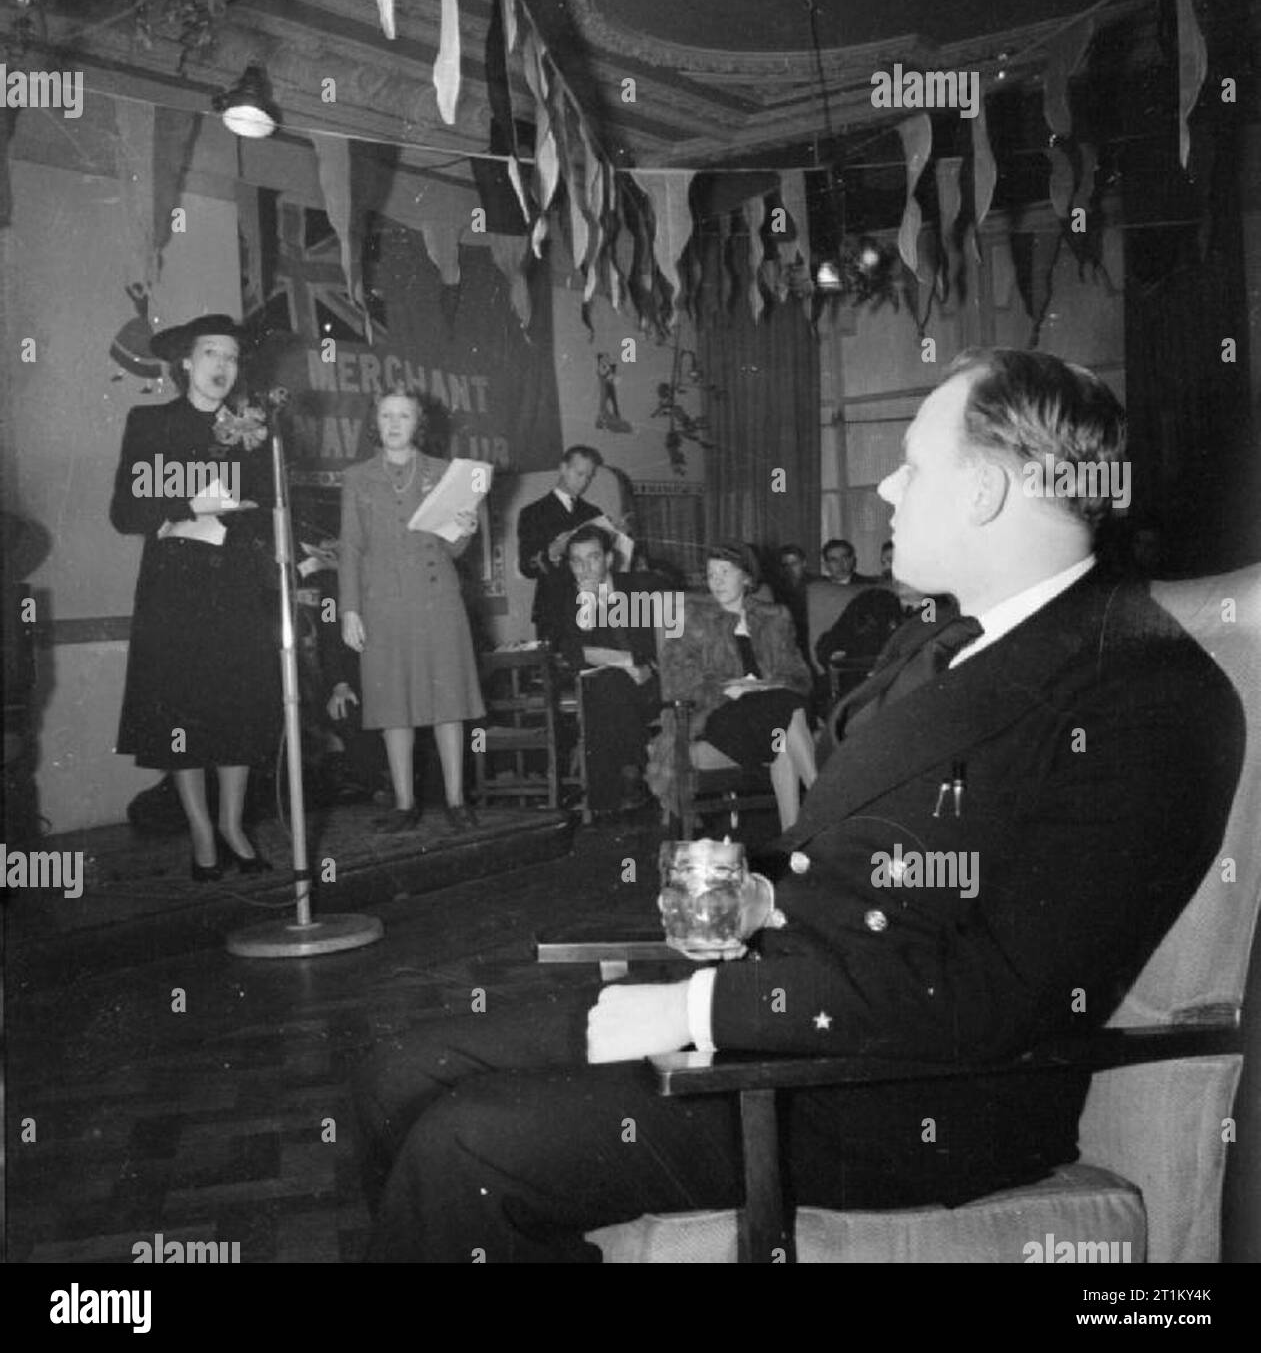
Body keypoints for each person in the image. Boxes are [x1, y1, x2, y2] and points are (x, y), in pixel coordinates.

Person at [356, 348, 1244, 1263]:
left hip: (900, 1092)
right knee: (401, 1071)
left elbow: (995, 996)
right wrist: (763, 898)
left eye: (912, 465)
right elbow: (858, 858)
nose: (890, 492)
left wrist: (696, 1009)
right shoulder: (939, 640)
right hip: (791, 1006)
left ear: (983, 491)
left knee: (467, 1147)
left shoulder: (1144, 691)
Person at [111, 314, 280, 880]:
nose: (222, 367)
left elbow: (269, 505)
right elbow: (127, 511)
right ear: (186, 361)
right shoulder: (152, 423)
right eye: (211, 354)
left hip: (236, 584)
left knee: (236, 708)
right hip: (176, 588)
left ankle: (233, 825)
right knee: (183, 709)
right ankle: (202, 832)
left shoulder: (254, 429)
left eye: (231, 358)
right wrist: (190, 505)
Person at [339, 391, 484, 833]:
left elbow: (455, 547)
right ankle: (404, 804)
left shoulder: (446, 473)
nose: (395, 423)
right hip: (382, 604)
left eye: (404, 415)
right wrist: (349, 610)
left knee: (447, 703)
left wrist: (465, 527)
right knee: (392, 705)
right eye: (386, 415)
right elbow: (350, 547)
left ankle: (457, 801)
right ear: (376, 423)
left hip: (436, 600)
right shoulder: (357, 477)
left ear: (418, 423)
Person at [647, 541, 816, 833]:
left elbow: (800, 676)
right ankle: (823, 801)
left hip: (769, 711)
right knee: (787, 712)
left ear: (747, 577)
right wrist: (727, 688)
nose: (717, 581)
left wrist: (762, 686)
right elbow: (674, 680)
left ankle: (794, 835)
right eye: (711, 574)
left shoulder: (775, 616)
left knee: (782, 715)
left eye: (725, 572)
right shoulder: (690, 617)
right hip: (717, 714)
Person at [554, 525, 661, 813]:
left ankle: (613, 789)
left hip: (654, 682)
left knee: (607, 689)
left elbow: (666, 640)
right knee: (610, 684)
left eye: (593, 558)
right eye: (576, 561)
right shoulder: (570, 600)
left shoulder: (639, 586)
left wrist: (648, 667)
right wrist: (628, 662)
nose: (585, 568)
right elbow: (577, 655)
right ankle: (632, 773)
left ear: (609, 559)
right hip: (610, 689)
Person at [516, 446, 630, 647]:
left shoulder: (593, 513)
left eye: (589, 476)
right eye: (579, 474)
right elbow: (526, 567)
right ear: (563, 468)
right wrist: (551, 553)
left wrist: (618, 538)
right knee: (562, 673)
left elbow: (610, 564)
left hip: (593, 604)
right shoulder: (533, 513)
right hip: (554, 609)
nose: (584, 481)